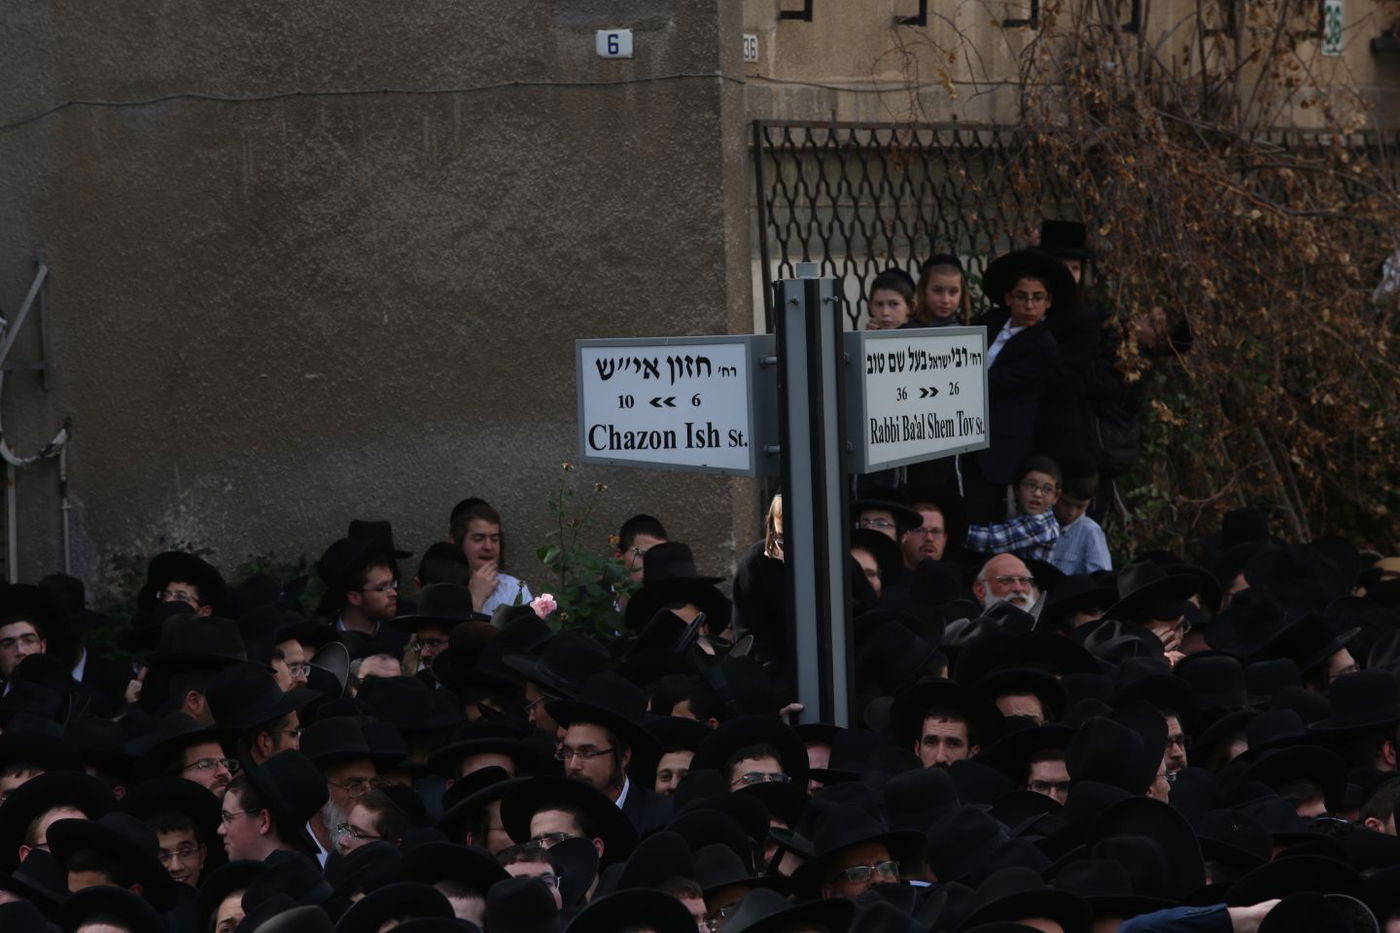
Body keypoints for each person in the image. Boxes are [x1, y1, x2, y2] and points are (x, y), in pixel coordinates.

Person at [963, 248, 1072, 523]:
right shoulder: (990, 322)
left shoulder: (1044, 347)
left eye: (1037, 298)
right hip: (964, 433)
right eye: (1022, 297)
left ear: (1048, 302)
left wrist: (955, 382)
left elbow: (997, 382)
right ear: (1009, 298)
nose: (1029, 306)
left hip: (998, 446)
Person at [965, 455, 1064, 562]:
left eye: (1047, 489)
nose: (1037, 494)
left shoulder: (1041, 524)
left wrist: (956, 531)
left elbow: (991, 540)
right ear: (1017, 489)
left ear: (1056, 497)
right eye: (1031, 485)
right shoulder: (1017, 512)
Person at [449, 498, 532, 614]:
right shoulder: (443, 591)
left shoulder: (514, 589)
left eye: (494, 539)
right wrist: (476, 600)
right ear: (456, 542)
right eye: (478, 539)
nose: (488, 546)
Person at [1051, 461, 1113, 574]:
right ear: (1056, 495)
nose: (1071, 512)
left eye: (1080, 507)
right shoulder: (1041, 524)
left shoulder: (1090, 533)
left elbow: (1101, 579)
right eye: (1066, 504)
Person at [913, 254, 972, 326]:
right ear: (923, 290)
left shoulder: (967, 334)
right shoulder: (906, 331)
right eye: (938, 291)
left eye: (953, 292)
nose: (945, 300)